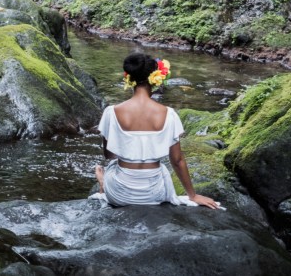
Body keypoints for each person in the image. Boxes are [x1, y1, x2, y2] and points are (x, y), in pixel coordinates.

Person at [94, 52, 220, 209]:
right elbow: (177, 160)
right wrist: (192, 196)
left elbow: (108, 154)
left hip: (119, 194)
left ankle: (103, 182)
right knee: (163, 169)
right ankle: (106, 181)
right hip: (154, 194)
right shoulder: (169, 114)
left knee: (113, 164)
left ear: (129, 78)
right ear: (155, 78)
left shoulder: (111, 112)